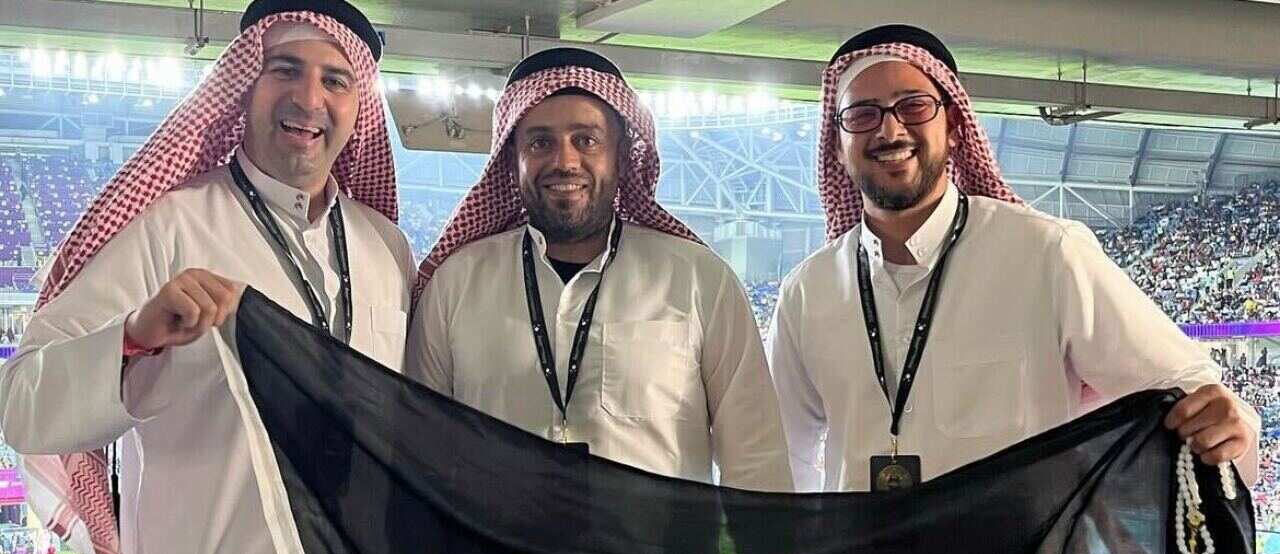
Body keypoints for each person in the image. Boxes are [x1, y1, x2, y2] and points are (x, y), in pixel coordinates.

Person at [0, 1, 414, 554]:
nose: (309, 100)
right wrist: (132, 335)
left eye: (335, 80)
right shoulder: (168, 230)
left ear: (359, 105)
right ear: (245, 84)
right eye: (285, 69)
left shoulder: (389, 253)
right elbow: (20, 401)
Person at [767, 24, 1259, 492]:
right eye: (863, 114)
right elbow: (784, 457)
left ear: (955, 126)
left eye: (914, 107)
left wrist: (1229, 426)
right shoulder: (808, 291)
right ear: (837, 145)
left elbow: (1185, 389)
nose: (890, 131)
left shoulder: (1046, 255)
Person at [407, 48, 791, 490]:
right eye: (540, 142)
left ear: (622, 155)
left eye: (586, 140)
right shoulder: (456, 283)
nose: (565, 162)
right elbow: (423, 451)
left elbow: (757, 462)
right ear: (512, 157)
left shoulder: (699, 281)